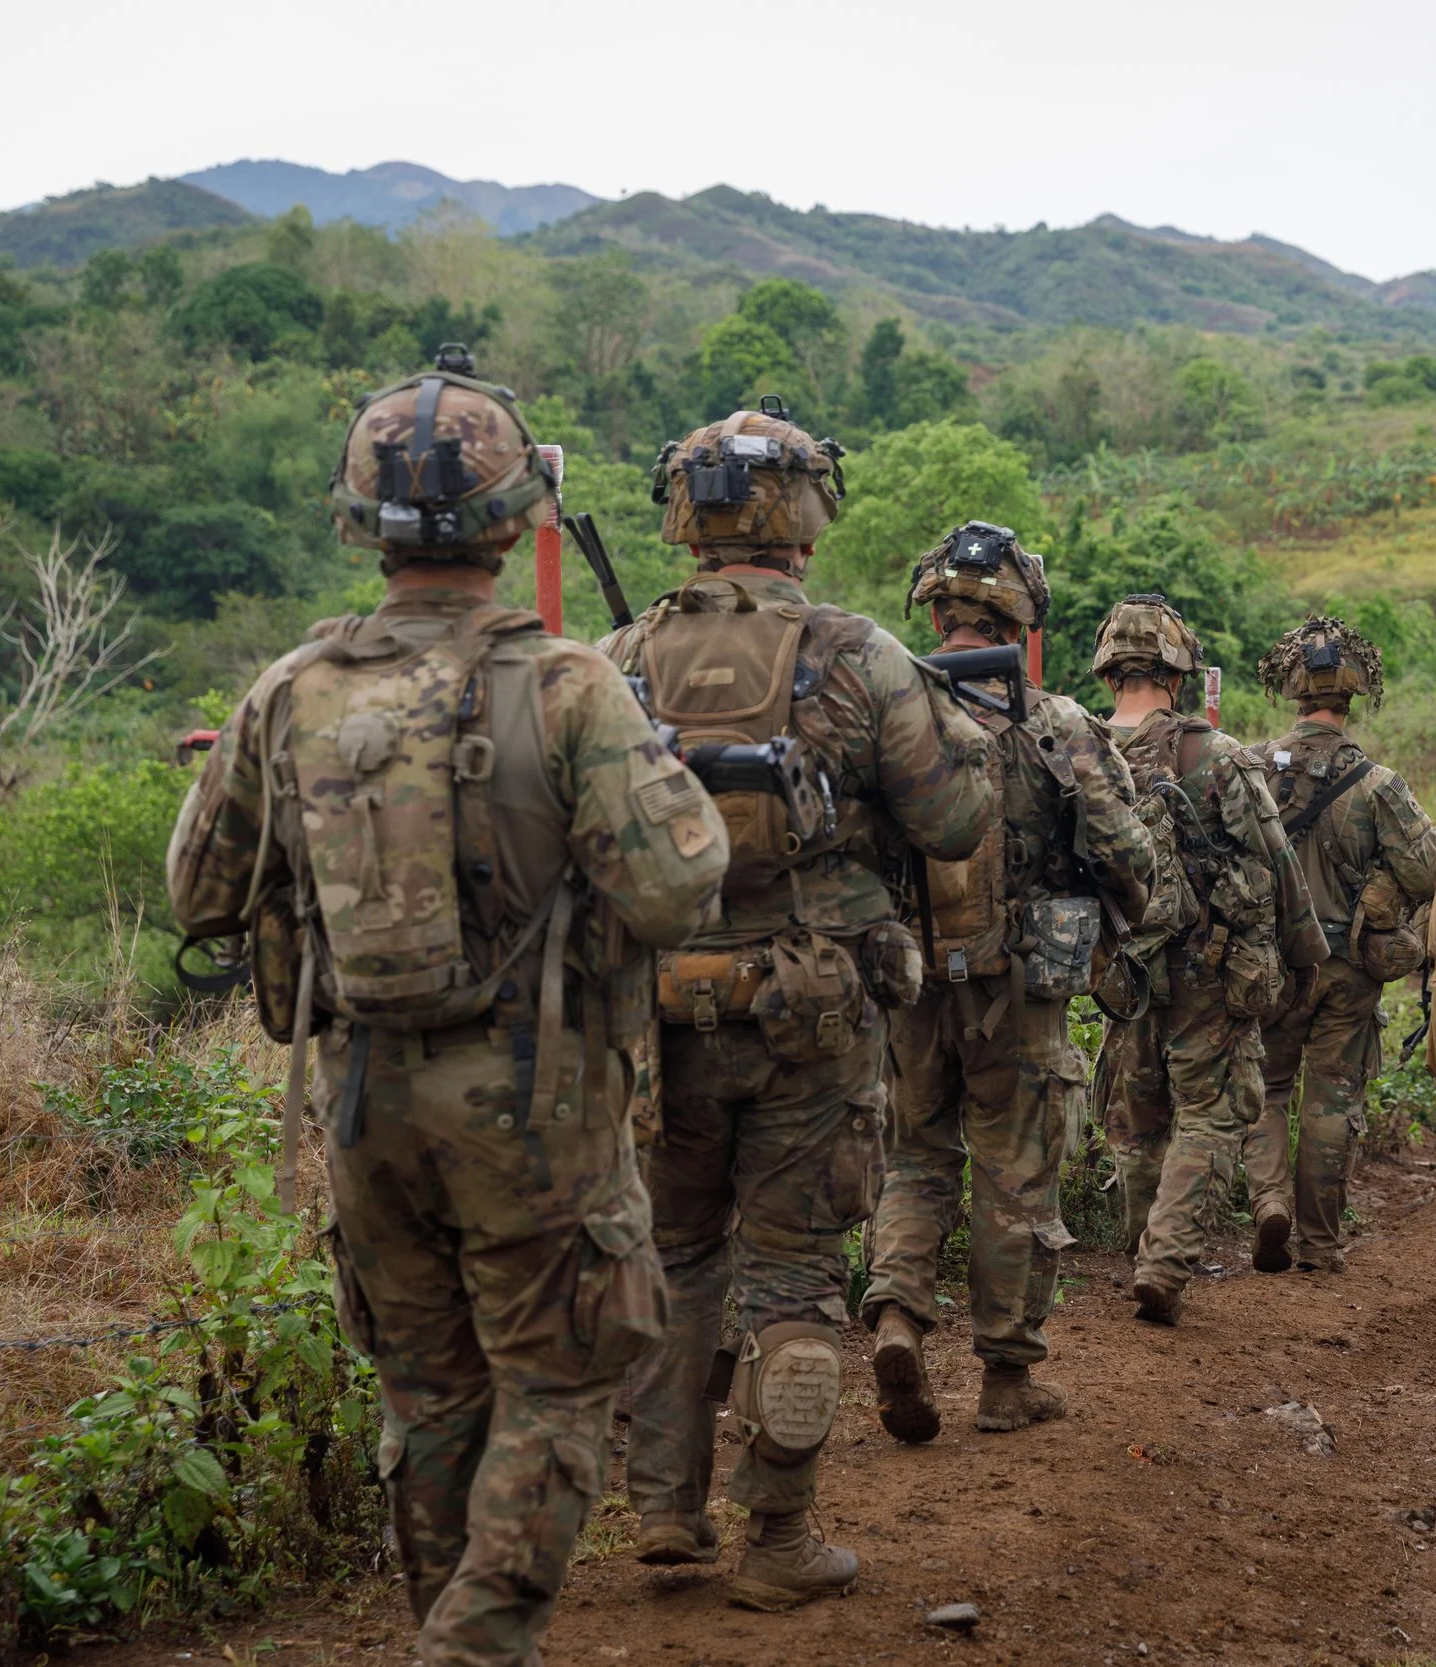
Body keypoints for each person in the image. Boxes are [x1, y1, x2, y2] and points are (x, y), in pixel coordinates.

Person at [166, 349, 731, 1667]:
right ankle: (471, 1644)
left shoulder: (289, 688)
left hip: (362, 1096)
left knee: (426, 1394)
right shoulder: (573, 684)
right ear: (514, 513)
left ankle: (451, 1627)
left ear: (361, 516)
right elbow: (673, 893)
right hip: (535, 1102)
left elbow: (199, 890)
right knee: (561, 1381)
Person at [601, 401, 996, 1608]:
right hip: (815, 1014)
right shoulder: (863, 653)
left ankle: (666, 1506)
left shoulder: (613, 659)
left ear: (684, 517)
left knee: (670, 1256)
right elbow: (951, 824)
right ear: (811, 516)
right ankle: (775, 1538)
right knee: (793, 1271)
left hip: (657, 1016)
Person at [863, 523, 1153, 1441]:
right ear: (1020, 616)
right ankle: (1003, 1379)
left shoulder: (883, 713)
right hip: (1020, 993)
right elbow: (1126, 853)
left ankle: (899, 1315)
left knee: (915, 1158)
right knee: (1015, 1173)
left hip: (909, 987)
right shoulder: (1058, 723)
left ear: (935, 609)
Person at [1091, 594, 1324, 1324]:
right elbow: (1276, 860)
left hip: (1121, 970)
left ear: (1109, 669)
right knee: (1212, 1112)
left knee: (1136, 1116)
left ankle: (1141, 1245)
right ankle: (1163, 1262)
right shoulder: (1215, 755)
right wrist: (1305, 952)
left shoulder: (1079, 749)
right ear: (1179, 670)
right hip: (1209, 968)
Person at [1238, 616, 1436, 1274]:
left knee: (1265, 1090)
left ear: (1293, 694)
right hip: (1348, 968)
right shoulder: (1379, 784)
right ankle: (1320, 1245)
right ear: (1350, 699)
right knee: (1330, 1100)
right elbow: (1426, 870)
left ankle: (1269, 1203)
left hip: (1273, 964)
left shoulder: (1253, 768)